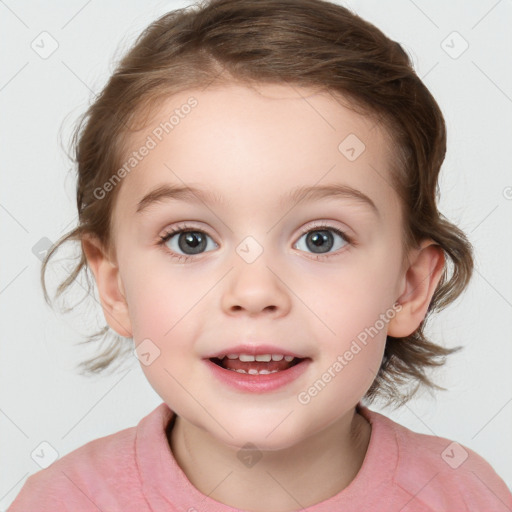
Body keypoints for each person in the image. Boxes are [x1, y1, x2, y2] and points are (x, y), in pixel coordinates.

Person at [8, 0, 512, 510]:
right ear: (113, 285)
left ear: (409, 286)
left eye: (321, 239)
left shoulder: (465, 495)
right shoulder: (62, 502)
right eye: (191, 240)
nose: (254, 292)